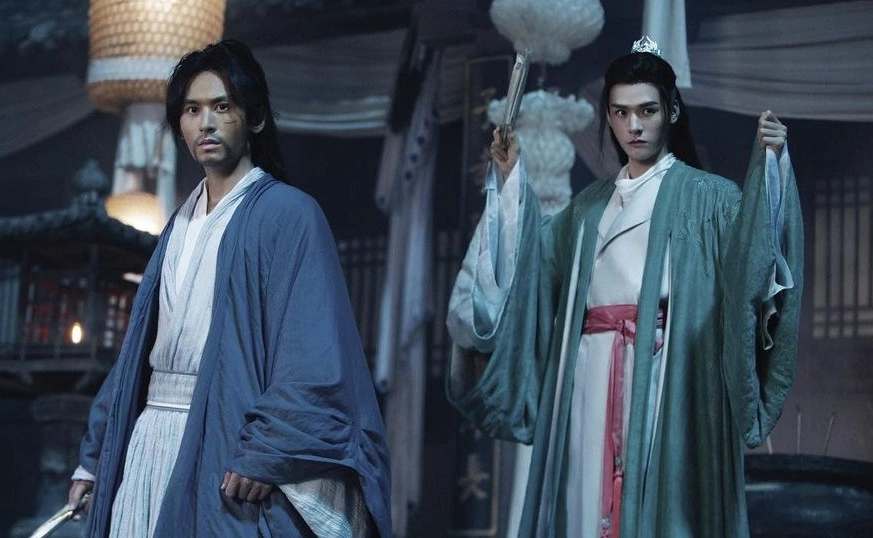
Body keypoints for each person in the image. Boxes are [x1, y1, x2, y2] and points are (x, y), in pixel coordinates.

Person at [445, 36, 803, 538]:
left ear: (671, 111)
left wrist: (772, 167)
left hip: (665, 376)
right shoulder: (586, 209)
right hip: (587, 374)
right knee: (584, 501)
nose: (634, 125)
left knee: (657, 508)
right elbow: (532, 269)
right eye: (620, 112)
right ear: (608, 118)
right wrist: (510, 183)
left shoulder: (711, 199)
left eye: (647, 110)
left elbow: (756, 264)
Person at [66, 39, 391, 537]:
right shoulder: (177, 224)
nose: (206, 123)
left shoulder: (289, 214)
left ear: (254, 118)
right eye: (192, 110)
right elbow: (137, 355)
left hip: (225, 438)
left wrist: (269, 449)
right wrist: (95, 458)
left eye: (222, 107)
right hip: (150, 437)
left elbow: (313, 351)